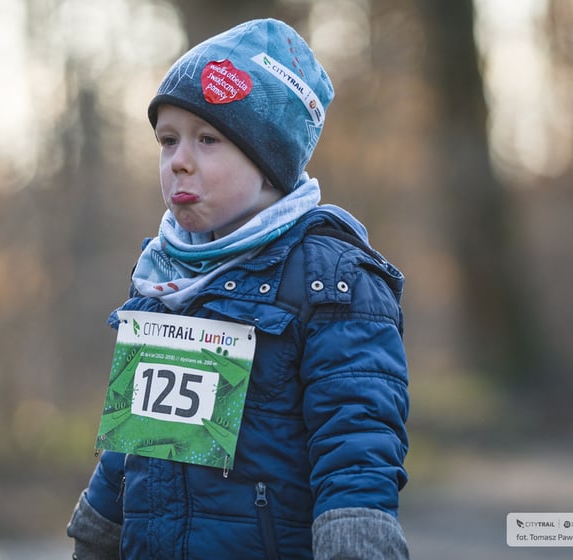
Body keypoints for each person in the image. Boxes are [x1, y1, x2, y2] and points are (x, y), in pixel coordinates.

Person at [67, 18, 410, 560]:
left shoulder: (329, 279)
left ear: (269, 164)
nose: (179, 159)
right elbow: (140, 442)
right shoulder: (166, 276)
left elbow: (356, 451)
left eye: (208, 140)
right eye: (168, 140)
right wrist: (96, 536)